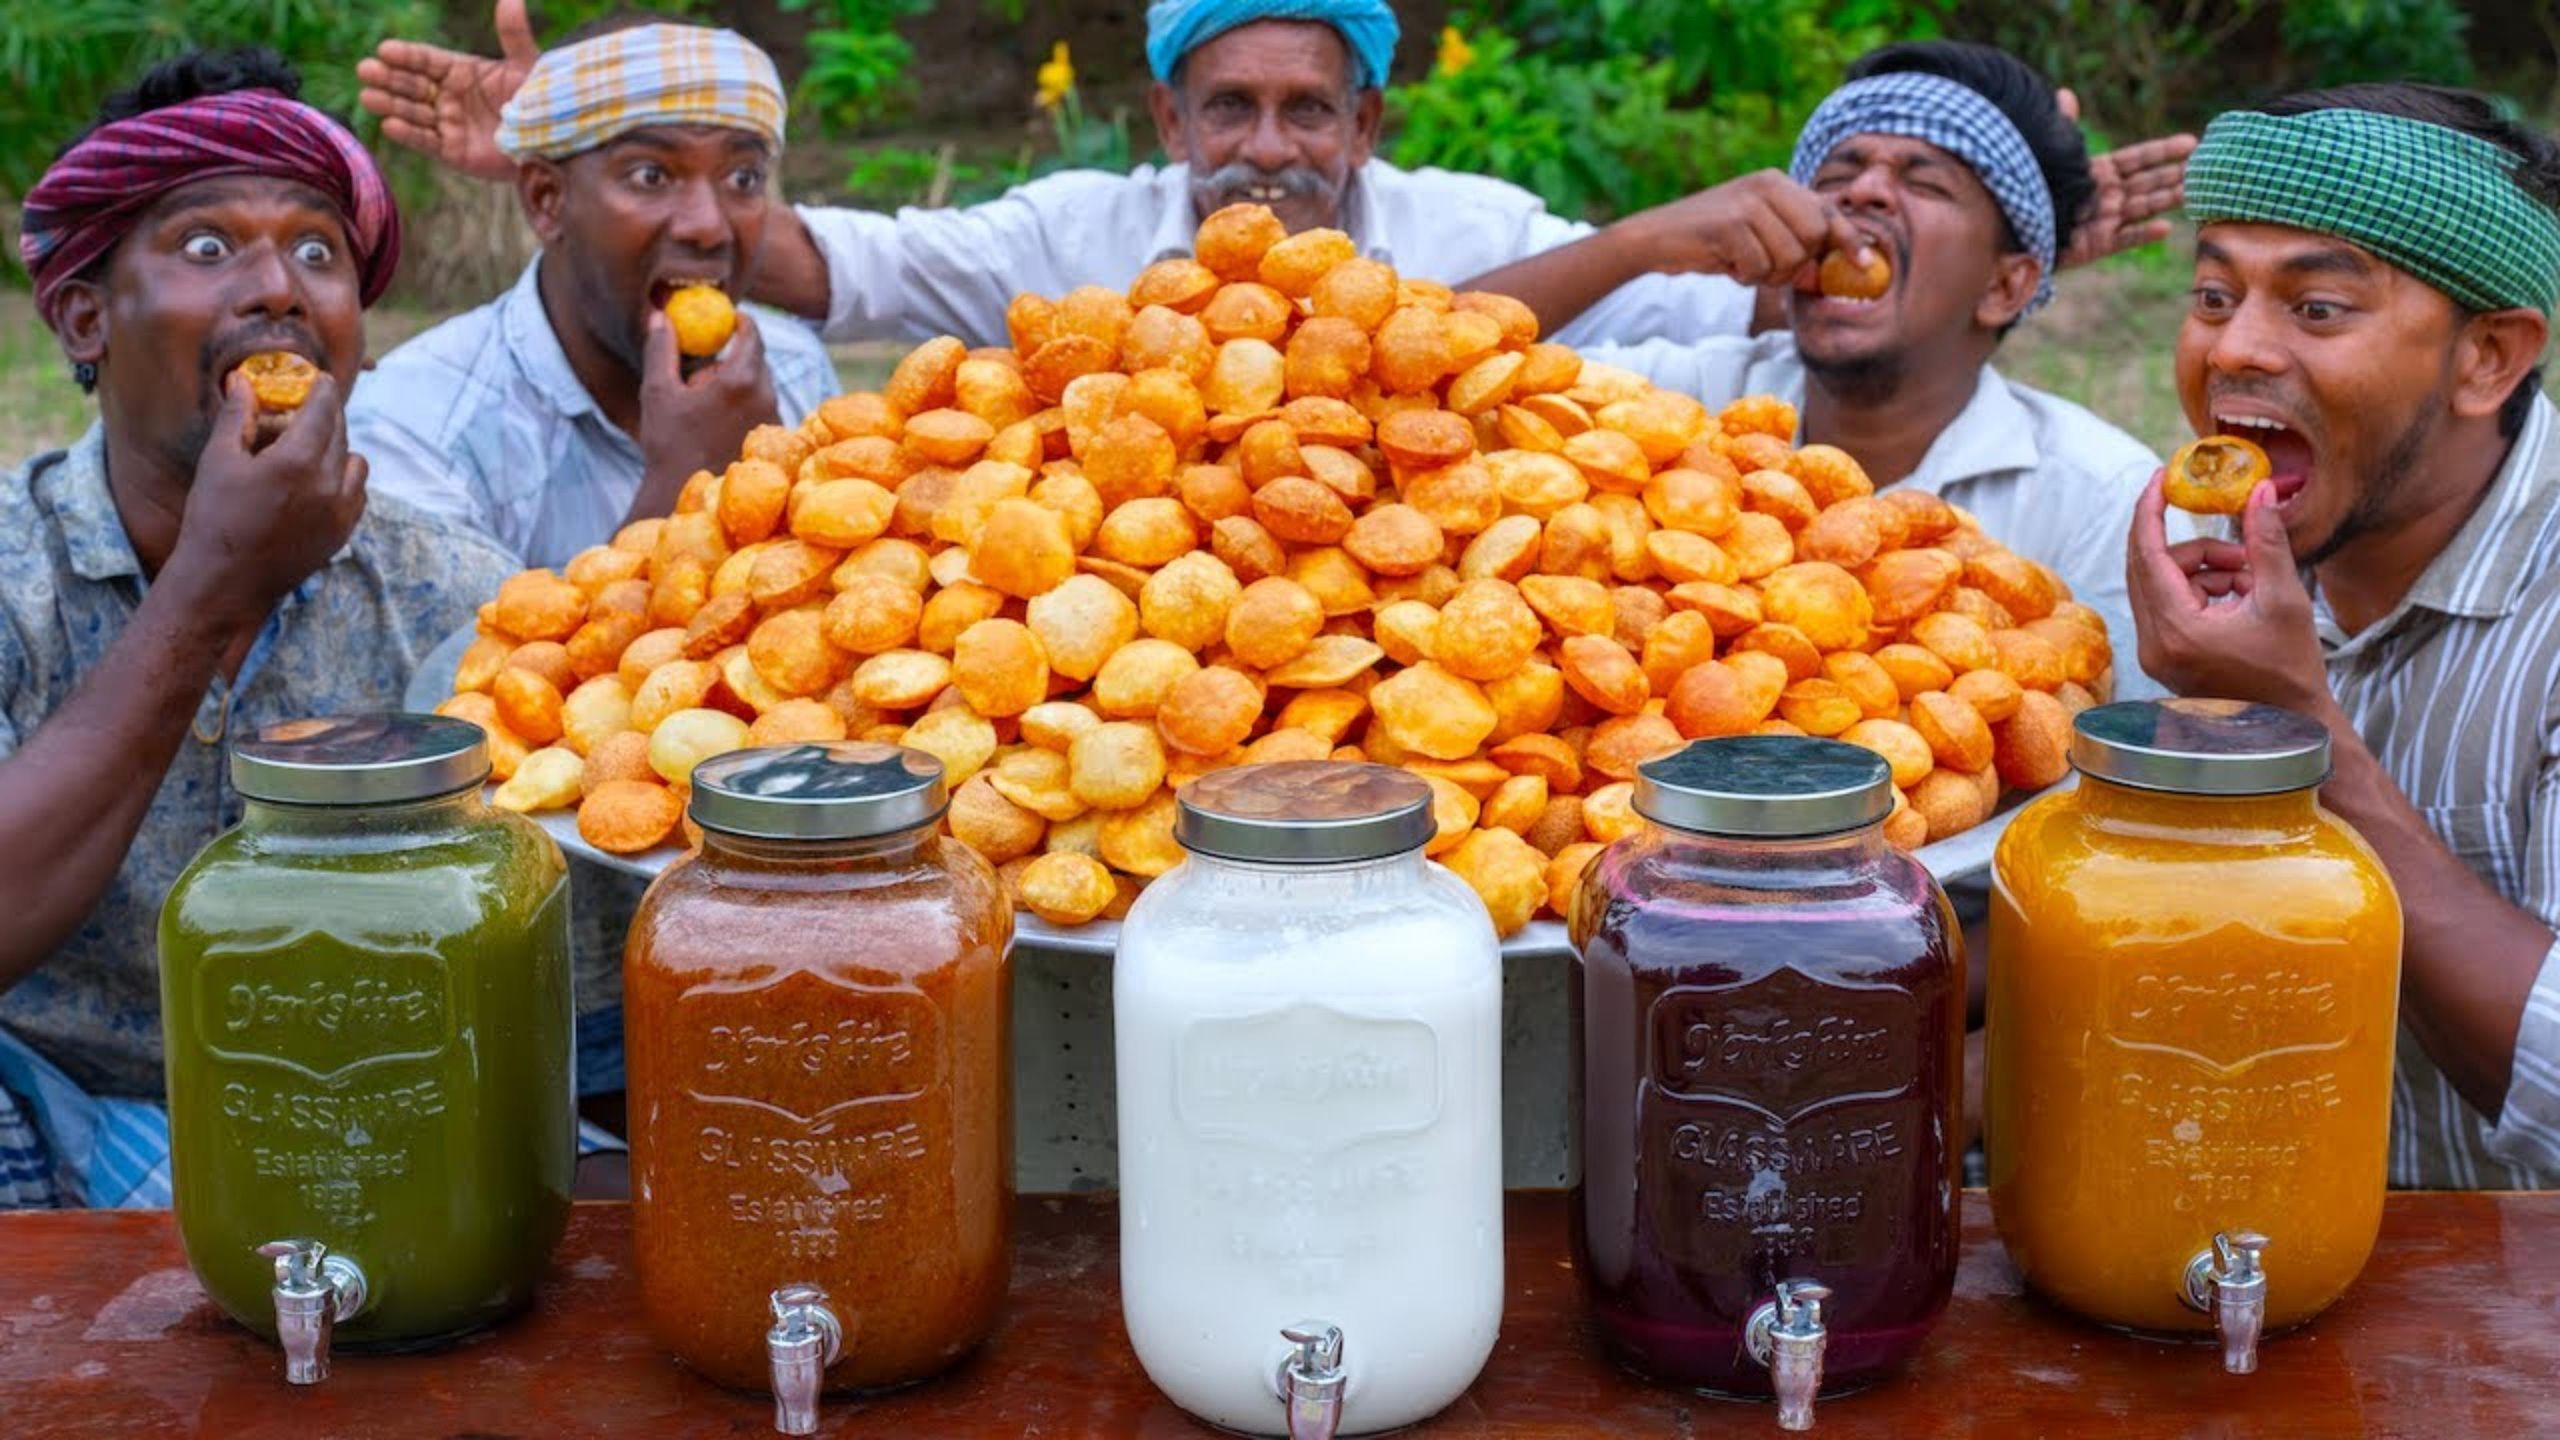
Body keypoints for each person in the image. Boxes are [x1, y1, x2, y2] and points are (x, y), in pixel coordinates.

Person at [357, 1, 2187, 352]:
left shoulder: (1481, 235)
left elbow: (1766, 321)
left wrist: (1992, 241)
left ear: (1367, 126)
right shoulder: (1071, 240)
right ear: (1168, 124)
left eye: (1309, 112)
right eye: (1226, 108)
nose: (1267, 150)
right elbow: (825, 264)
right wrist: (596, 159)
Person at [0, 50, 515, 1208]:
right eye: (206, 247)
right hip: (46, 1109)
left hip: (371, 1118)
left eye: (319, 253)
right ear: (85, 316)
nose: (279, 288)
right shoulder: (11, 572)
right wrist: (209, 595)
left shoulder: (457, 597)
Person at [2125, 84, 2560, 1188]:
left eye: (2316, 309)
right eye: (2213, 295)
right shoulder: (2225, 581)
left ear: (2489, 357)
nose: (2236, 350)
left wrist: (2300, 732)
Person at [1471, 41, 2171, 690]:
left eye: (1926, 183)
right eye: (1835, 175)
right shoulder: (1679, 400)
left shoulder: (2101, 498)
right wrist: (1640, 242)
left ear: (2005, 285)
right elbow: (1446, 363)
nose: (1862, 192)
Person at [347, 18, 837, 570]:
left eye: (743, 178)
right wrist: (687, 479)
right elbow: (462, 634)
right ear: (547, 200)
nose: (708, 226)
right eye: (651, 175)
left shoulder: (796, 371)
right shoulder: (416, 432)